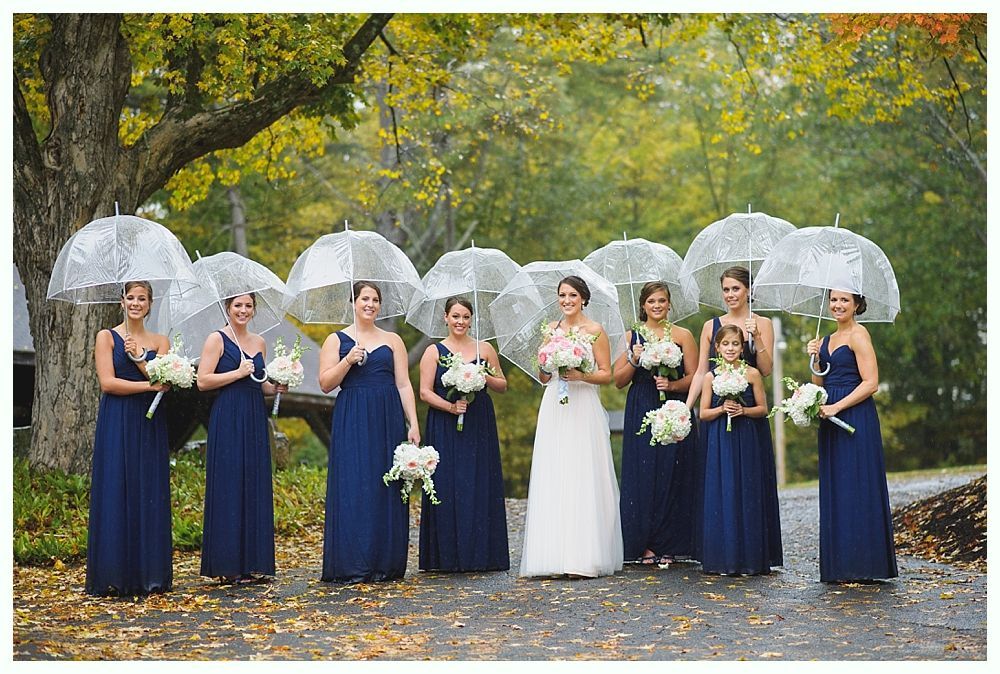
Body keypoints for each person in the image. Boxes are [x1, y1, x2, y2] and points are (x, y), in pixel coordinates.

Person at [520, 276, 623, 578]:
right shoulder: (551, 331)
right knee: (555, 471)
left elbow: (606, 374)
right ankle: (552, 555)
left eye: (573, 295)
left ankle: (585, 556)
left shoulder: (595, 331)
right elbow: (541, 377)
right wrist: (547, 361)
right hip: (555, 403)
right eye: (562, 295)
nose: (566, 300)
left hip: (583, 403)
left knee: (582, 471)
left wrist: (581, 376)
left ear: (583, 299)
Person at [319, 281, 421, 583]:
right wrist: (348, 361)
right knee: (355, 482)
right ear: (354, 302)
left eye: (375, 300)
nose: (370, 304)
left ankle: (384, 561)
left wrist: (413, 422)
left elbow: (403, 384)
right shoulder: (336, 340)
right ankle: (352, 561)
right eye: (365, 298)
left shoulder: (392, 340)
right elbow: (325, 383)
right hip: (353, 415)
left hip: (387, 416)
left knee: (385, 483)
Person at [685, 266, 781, 563]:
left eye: (736, 289)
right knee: (719, 483)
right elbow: (702, 371)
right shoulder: (711, 326)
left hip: (750, 412)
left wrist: (757, 339)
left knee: (751, 482)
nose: (730, 295)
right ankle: (719, 550)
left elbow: (766, 369)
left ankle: (754, 551)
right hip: (717, 410)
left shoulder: (761, 323)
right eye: (726, 290)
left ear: (748, 290)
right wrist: (686, 408)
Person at [86, 280, 173, 596]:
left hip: (149, 423)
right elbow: (108, 383)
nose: (136, 303)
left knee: (147, 487)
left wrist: (139, 358)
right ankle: (113, 575)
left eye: (142, 298)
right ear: (122, 302)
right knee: (117, 486)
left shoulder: (161, 341)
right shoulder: (106, 337)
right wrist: (147, 386)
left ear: (150, 304)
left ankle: (150, 574)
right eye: (131, 297)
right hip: (118, 419)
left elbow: (164, 380)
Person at [807, 291, 898, 583]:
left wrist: (838, 406)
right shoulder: (824, 340)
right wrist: (815, 360)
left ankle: (865, 564)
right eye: (833, 300)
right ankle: (841, 565)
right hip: (829, 418)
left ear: (857, 304)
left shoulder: (859, 335)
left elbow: (871, 383)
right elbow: (819, 382)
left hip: (855, 415)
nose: (837, 305)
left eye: (844, 300)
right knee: (837, 485)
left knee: (858, 482)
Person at [197, 293, 286, 584]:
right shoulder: (217, 340)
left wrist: (277, 386)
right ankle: (227, 564)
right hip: (228, 416)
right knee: (230, 483)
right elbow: (203, 380)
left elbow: (259, 385)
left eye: (248, 306)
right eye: (238, 305)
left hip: (253, 417)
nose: (243, 310)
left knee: (253, 482)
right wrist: (236, 372)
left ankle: (252, 562)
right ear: (228, 308)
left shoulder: (259, 342)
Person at [418, 297, 510, 572]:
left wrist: (483, 375)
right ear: (446, 318)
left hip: (478, 420)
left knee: (478, 481)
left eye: (466, 317)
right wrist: (450, 407)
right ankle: (445, 557)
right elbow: (424, 392)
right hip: (445, 424)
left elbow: (503, 385)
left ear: (472, 320)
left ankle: (482, 554)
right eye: (455, 316)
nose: (460, 322)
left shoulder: (485, 348)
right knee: (447, 483)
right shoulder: (433, 351)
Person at [613, 281, 699, 566]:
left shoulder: (683, 335)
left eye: (662, 300)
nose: (657, 306)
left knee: (674, 469)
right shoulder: (631, 336)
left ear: (669, 303)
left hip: (674, 406)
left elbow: (696, 377)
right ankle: (644, 544)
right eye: (652, 301)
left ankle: (672, 542)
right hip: (642, 404)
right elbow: (618, 381)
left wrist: (673, 385)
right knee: (645, 470)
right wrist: (635, 360)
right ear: (643, 305)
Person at [698, 324, 782, 575]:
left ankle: (751, 558)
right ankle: (724, 558)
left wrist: (743, 410)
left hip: (746, 438)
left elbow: (763, 409)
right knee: (724, 492)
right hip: (719, 441)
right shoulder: (710, 377)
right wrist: (722, 409)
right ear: (717, 348)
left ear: (742, 347)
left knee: (746, 490)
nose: (731, 348)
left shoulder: (752, 373)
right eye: (726, 344)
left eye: (736, 344)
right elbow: (703, 413)